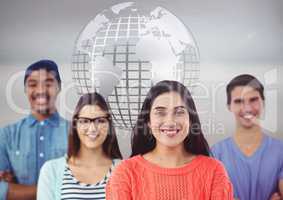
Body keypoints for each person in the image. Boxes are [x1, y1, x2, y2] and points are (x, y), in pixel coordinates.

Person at [106, 80, 233, 199]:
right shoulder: (125, 173)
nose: (170, 122)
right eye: (160, 112)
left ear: (191, 120)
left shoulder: (214, 171)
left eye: (179, 112)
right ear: (148, 122)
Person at [0, 60, 69, 200]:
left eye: (48, 83)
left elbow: (85, 183)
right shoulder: (6, 135)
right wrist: (58, 189)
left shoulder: (76, 133)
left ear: (59, 87)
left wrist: (17, 190)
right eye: (33, 84)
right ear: (25, 89)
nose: (41, 90)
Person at [37, 92, 122, 200]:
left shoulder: (123, 169)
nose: (92, 129)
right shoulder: (51, 170)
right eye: (85, 121)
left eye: (100, 121)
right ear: (75, 125)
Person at [211, 74, 283, 200]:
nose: (247, 108)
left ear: (263, 102)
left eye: (253, 100)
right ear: (229, 106)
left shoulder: (280, 151)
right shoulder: (216, 153)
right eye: (239, 101)